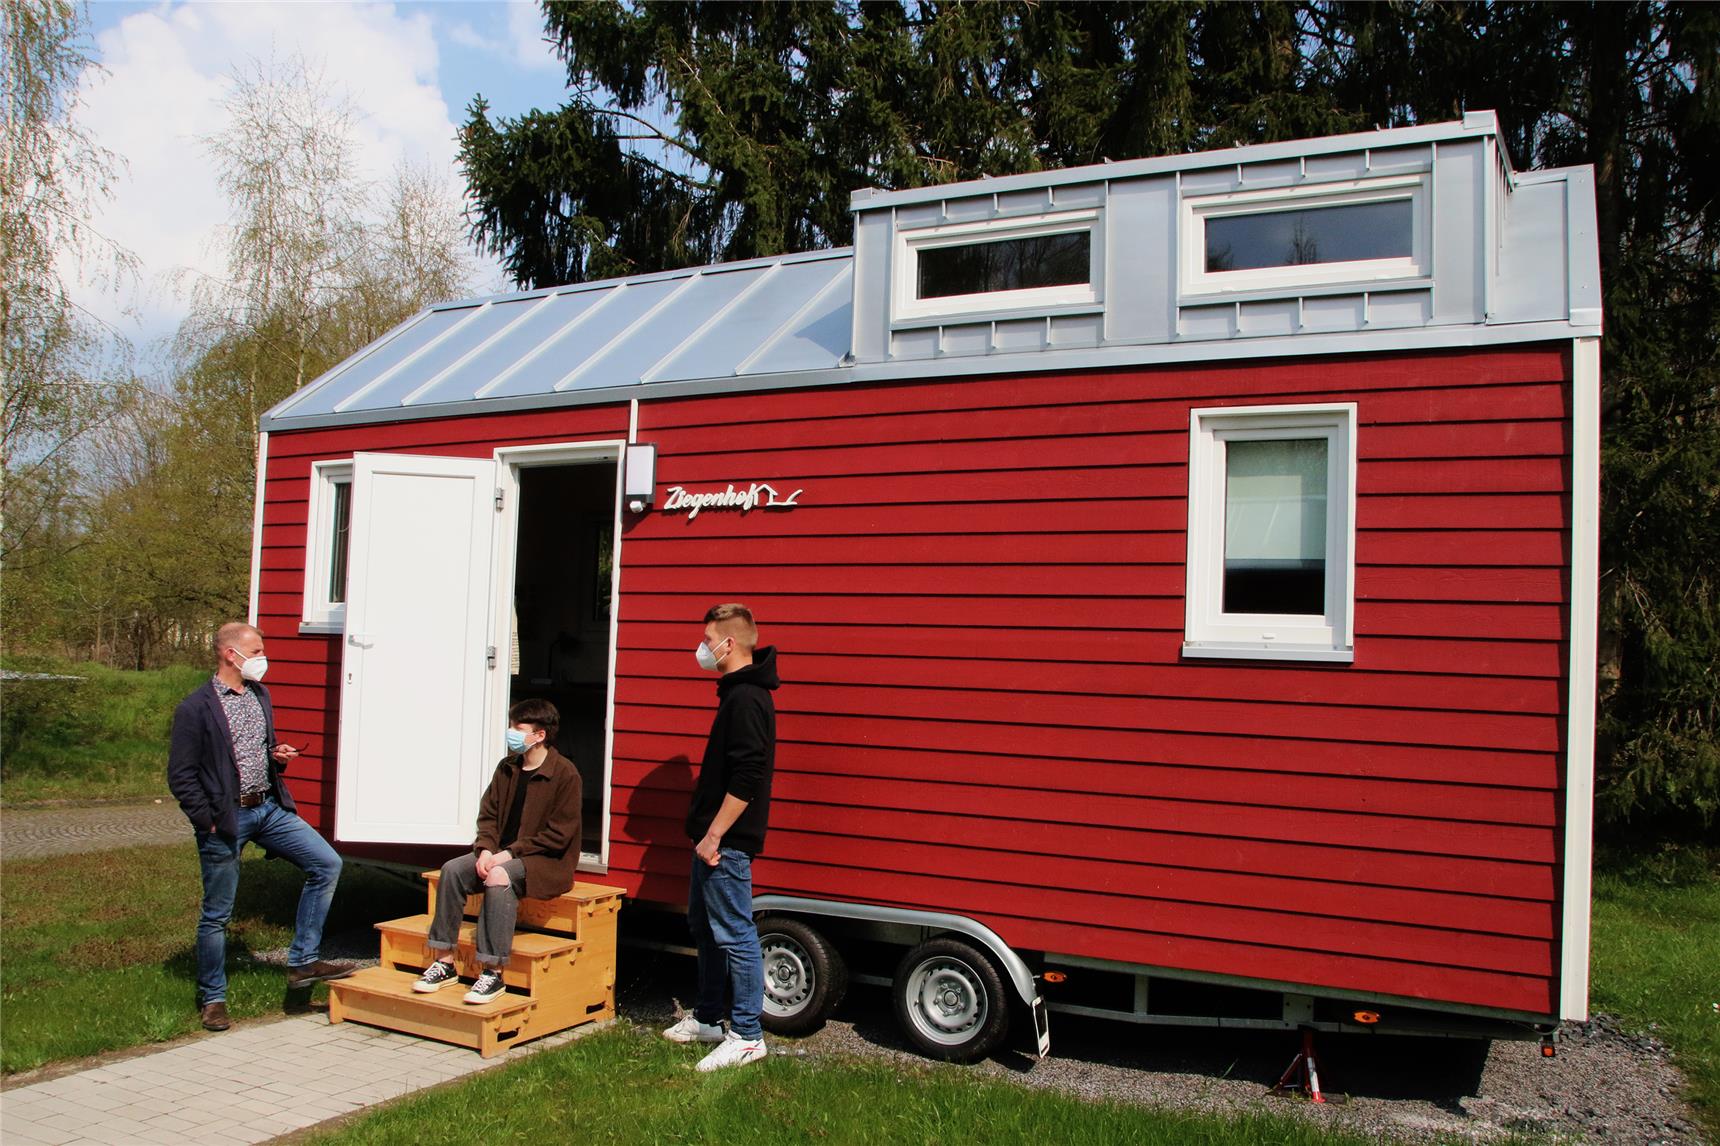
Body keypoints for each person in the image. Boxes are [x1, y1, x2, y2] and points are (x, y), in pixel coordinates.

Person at [167, 622, 355, 1032]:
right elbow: (181, 776)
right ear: (230, 654)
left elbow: (255, 749)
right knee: (218, 914)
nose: (262, 659)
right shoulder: (195, 708)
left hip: (268, 808)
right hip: (226, 820)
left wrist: (277, 755)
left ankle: (302, 963)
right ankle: (213, 998)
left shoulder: (259, 696)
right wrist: (210, 822)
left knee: (326, 864)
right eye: (255, 651)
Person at [662, 603, 780, 1072]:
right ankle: (710, 1018)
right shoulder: (735, 693)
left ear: (729, 644)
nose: (703, 647)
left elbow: (747, 779)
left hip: (725, 844)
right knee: (706, 929)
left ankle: (748, 1035)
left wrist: (714, 837)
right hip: (709, 841)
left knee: (735, 934)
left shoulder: (749, 698)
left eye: (709, 639)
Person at [413, 699, 582, 1004]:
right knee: (452, 869)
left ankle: (492, 972)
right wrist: (485, 850)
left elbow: (558, 835)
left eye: (518, 728)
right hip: (502, 854)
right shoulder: (507, 768)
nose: (511, 733)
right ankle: (444, 961)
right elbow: (488, 816)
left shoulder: (565, 774)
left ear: (540, 735)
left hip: (545, 861)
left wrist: (509, 854)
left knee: (499, 878)